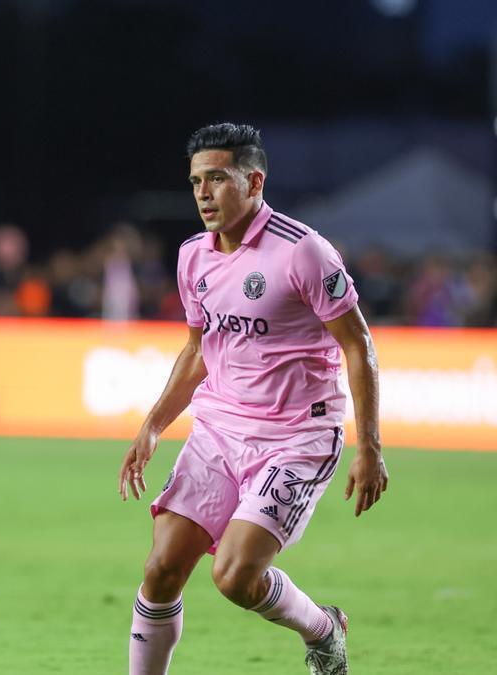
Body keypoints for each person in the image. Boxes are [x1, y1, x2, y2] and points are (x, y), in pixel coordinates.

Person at [118, 123, 388, 674]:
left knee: (235, 576)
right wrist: (153, 425)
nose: (203, 194)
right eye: (196, 181)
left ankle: (323, 628)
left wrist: (370, 446)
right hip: (219, 432)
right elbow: (198, 349)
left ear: (254, 181)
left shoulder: (304, 252)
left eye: (217, 179)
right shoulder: (193, 256)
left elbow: (357, 345)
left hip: (296, 437)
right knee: (161, 570)